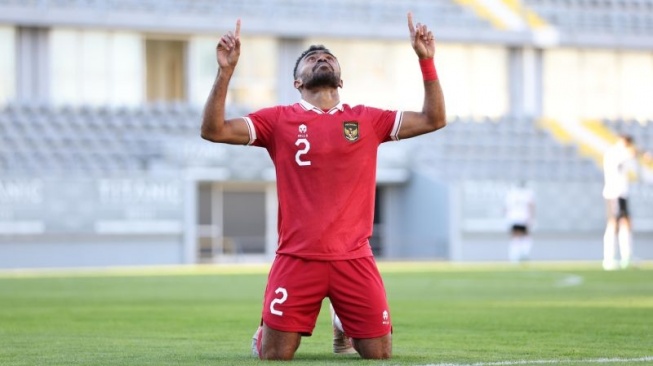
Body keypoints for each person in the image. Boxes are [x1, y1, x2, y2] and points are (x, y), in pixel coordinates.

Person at [201, 12, 446, 360]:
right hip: (297, 257)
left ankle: (343, 322)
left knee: (378, 354)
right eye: (311, 59)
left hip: (354, 257)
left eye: (328, 57)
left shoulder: (368, 119)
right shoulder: (277, 120)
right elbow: (214, 130)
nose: (321, 59)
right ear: (297, 83)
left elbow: (434, 119)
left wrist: (427, 61)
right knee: (274, 356)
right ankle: (267, 328)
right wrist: (225, 72)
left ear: (340, 80)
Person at [601, 134, 651, 270]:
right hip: (613, 193)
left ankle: (626, 256)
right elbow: (633, 152)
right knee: (613, 224)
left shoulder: (622, 153)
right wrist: (644, 153)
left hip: (622, 193)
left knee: (626, 223)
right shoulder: (614, 153)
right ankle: (609, 258)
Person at [504, 181, 535, 263]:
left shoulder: (511, 193)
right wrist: (531, 217)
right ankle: (523, 254)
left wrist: (507, 219)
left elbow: (506, 208)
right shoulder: (527, 193)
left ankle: (515, 257)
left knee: (516, 236)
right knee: (525, 236)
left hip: (514, 218)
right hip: (524, 217)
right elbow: (531, 205)